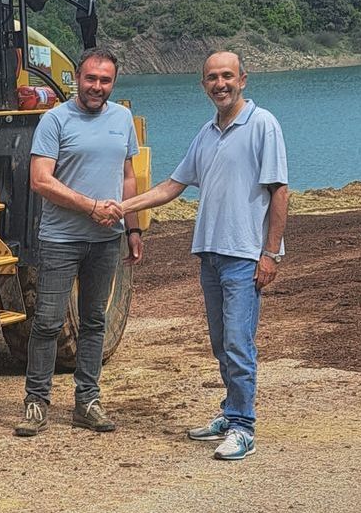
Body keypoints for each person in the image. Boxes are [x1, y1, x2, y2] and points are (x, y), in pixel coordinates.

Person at [120, 51, 288, 461]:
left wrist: (271, 254)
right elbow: (173, 185)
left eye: (227, 76)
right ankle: (231, 414)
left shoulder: (262, 124)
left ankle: (244, 427)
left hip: (244, 255)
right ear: (203, 85)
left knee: (238, 340)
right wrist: (122, 208)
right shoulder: (207, 132)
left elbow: (280, 191)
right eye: (212, 77)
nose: (220, 84)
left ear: (243, 79)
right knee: (221, 341)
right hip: (210, 254)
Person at [15, 46, 144, 437]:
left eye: (105, 81)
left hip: (107, 239)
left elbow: (128, 179)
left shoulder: (122, 119)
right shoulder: (55, 121)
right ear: (77, 78)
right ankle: (36, 402)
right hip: (61, 239)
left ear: (113, 82)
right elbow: (40, 181)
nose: (97, 87)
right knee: (49, 322)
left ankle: (87, 401)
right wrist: (90, 207)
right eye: (91, 79)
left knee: (94, 321)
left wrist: (134, 229)